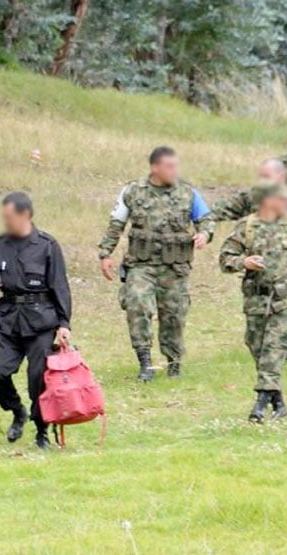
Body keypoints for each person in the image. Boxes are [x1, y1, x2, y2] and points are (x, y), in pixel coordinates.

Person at [98, 146, 215, 381]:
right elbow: (116, 224)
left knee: (174, 316)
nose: (174, 171)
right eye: (169, 166)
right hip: (141, 265)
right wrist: (105, 253)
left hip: (175, 268)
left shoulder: (187, 192)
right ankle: (145, 363)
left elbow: (206, 219)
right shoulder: (133, 191)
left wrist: (204, 234)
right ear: (155, 168)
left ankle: (174, 363)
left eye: (176, 166)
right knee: (137, 304)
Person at [0, 192, 72, 449]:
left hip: (40, 320)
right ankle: (17, 411)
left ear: (25, 215)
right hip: (9, 319)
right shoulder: (0, 244)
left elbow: (60, 286)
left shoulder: (47, 245)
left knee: (38, 379)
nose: (6, 222)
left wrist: (64, 323)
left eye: (9, 217)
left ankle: (41, 432)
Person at [219, 183, 287, 423]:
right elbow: (225, 258)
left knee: (275, 349)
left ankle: (259, 406)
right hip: (256, 300)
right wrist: (243, 262)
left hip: (286, 301)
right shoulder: (246, 227)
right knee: (258, 349)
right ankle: (278, 403)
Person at [211, 159, 287, 222]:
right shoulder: (252, 197)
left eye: (266, 177)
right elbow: (215, 210)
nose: (262, 182)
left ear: (281, 177)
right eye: (260, 177)